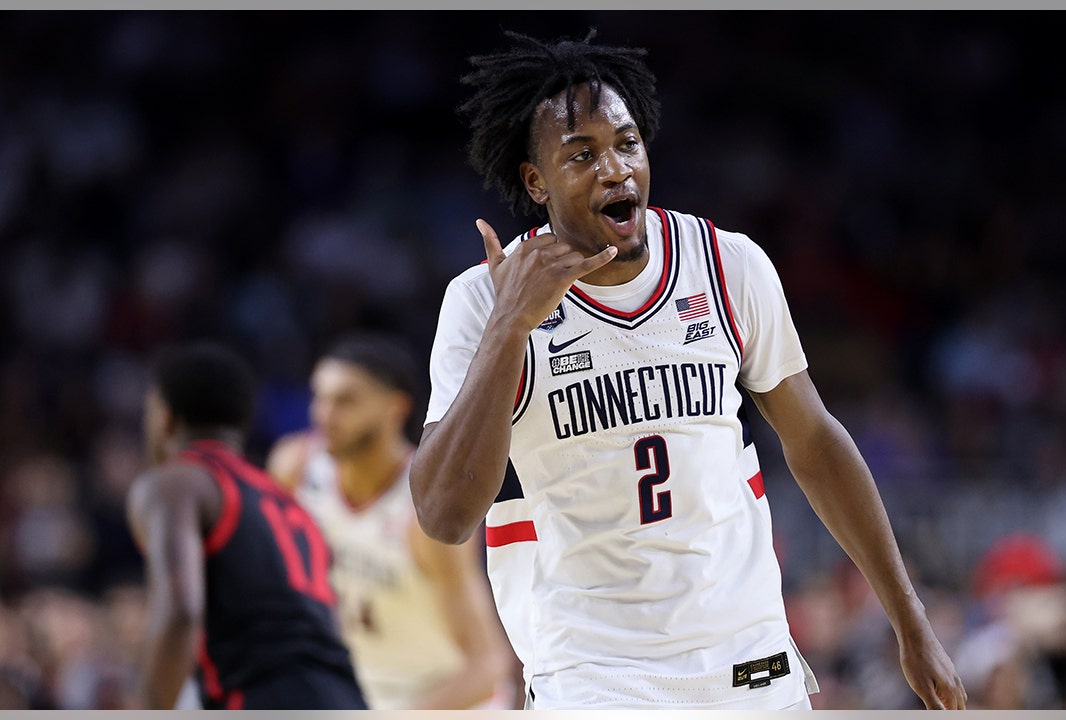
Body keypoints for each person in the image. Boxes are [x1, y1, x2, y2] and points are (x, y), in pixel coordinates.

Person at [410, 29, 967, 710]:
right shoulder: (482, 300)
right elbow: (443, 515)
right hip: (594, 676)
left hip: (748, 660)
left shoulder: (728, 263)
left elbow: (817, 444)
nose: (614, 169)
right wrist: (510, 327)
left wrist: (910, 621)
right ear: (536, 181)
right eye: (581, 154)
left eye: (627, 143)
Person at [267, 332, 512, 709]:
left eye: (345, 401)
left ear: (395, 408)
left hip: (440, 701)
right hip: (353, 692)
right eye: (320, 397)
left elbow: (487, 665)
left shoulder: (425, 509)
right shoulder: (295, 469)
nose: (324, 415)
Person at [125, 342, 366, 710]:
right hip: (348, 698)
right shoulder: (293, 505)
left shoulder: (175, 483)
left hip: (266, 697)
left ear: (165, 417)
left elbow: (181, 611)